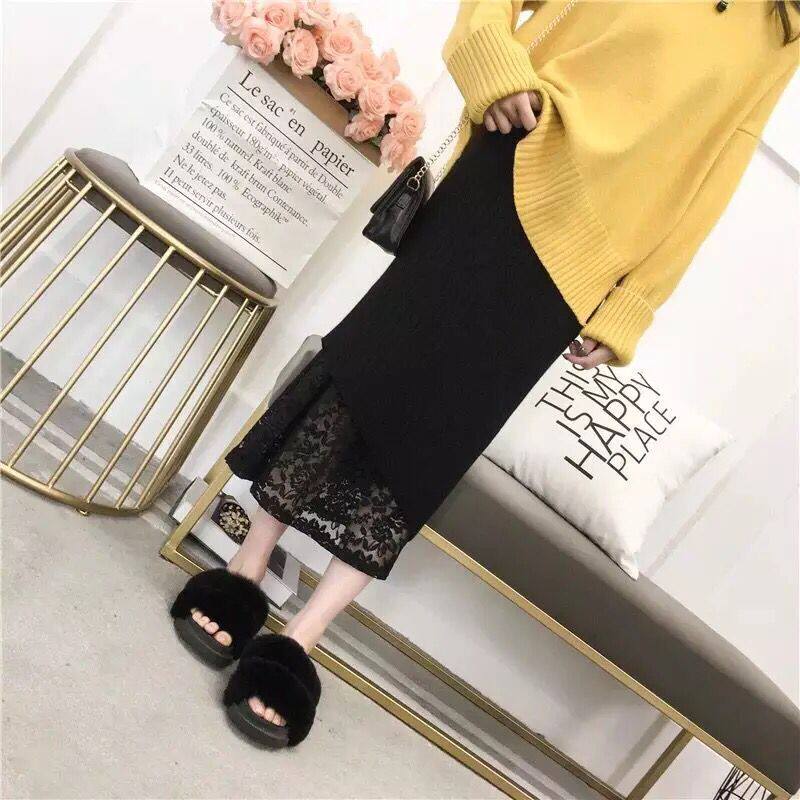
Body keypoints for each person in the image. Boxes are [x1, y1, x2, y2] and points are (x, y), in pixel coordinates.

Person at [170, 0, 798, 747]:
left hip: (586, 264)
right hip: (516, 162)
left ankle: (305, 635)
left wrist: (634, 304)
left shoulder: (783, 30)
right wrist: (493, 63)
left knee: (441, 437)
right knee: (368, 361)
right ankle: (248, 566)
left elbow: (718, 169)